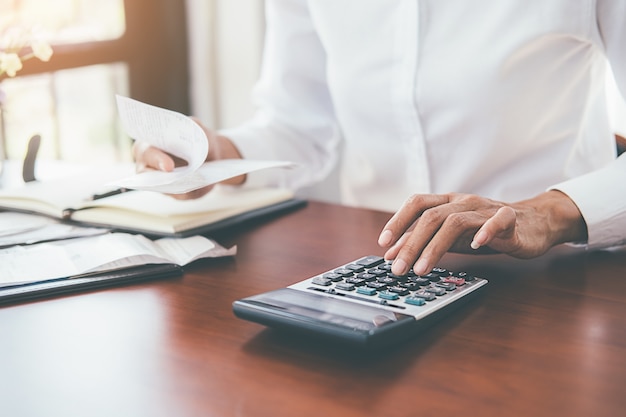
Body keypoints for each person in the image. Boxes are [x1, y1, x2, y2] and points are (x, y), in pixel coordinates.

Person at [134, 0, 626, 276]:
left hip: (558, 277)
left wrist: (547, 212)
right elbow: (298, 125)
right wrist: (218, 153)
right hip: (379, 272)